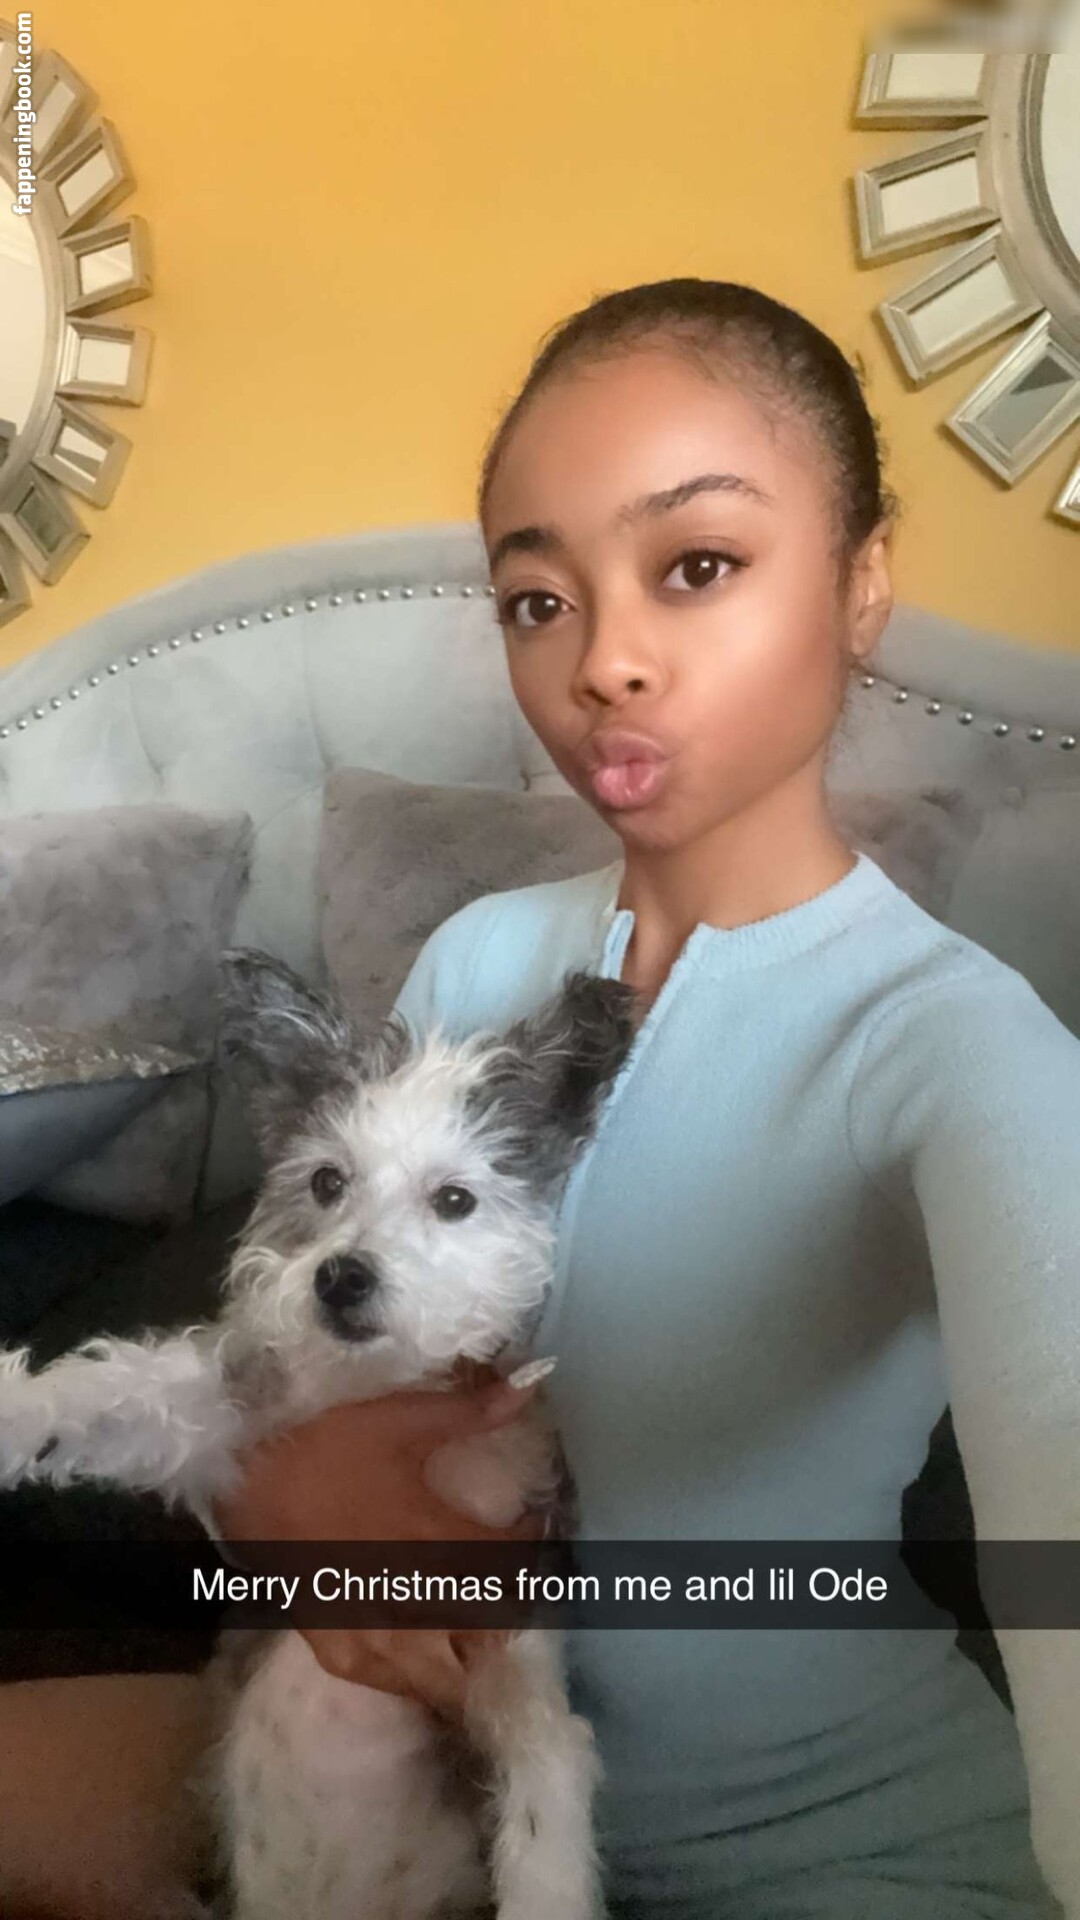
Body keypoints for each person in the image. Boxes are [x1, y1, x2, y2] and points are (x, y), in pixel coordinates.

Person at [5, 276, 1080, 1917]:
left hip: (829, 1852)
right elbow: (337, 1353)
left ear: (862, 584)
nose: (606, 664)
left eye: (697, 566)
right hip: (433, 1791)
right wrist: (281, 1495)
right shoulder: (477, 956)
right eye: (537, 598)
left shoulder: (957, 1048)